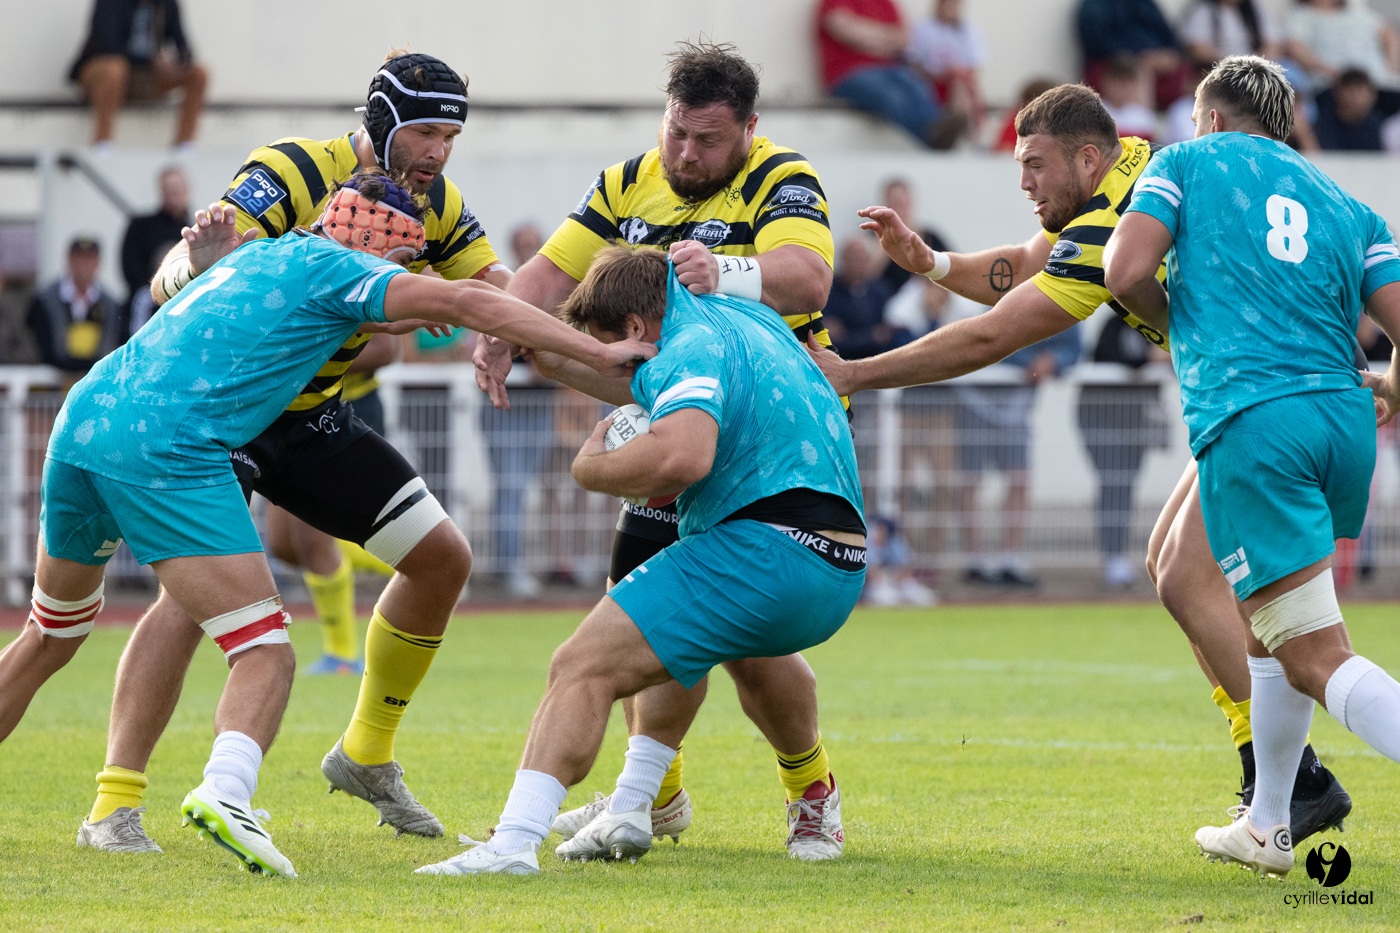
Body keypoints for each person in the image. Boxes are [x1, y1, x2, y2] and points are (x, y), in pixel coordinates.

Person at [0, 170, 653, 875]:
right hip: (164, 447)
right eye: (405, 265)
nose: (405, 278)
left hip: (84, 419)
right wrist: (597, 351)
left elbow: (348, 315)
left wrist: (408, 306)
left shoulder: (268, 250)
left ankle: (149, 798)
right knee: (265, 649)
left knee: (51, 631)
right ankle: (227, 790)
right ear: (384, 245)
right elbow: (469, 298)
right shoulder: (346, 269)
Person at [807, 82, 1351, 845]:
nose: (1022, 181)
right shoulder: (1133, 163)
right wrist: (931, 263)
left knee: (1277, 629)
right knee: (1178, 570)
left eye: (1034, 164)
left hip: (1268, 404)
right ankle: (1281, 778)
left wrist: (858, 372)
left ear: (1086, 158)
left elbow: (992, 336)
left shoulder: (1117, 220)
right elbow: (1027, 264)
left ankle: (1295, 780)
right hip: (1289, 396)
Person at [60, 52, 512, 850]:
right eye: (426, 131)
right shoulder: (293, 167)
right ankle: (114, 801)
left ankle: (367, 754)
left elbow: (488, 277)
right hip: (222, 421)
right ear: (381, 119)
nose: (440, 151)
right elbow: (192, 259)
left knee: (443, 557)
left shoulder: (436, 201)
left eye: (451, 135)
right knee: (190, 602)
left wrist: (504, 326)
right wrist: (185, 269)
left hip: (311, 420)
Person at [476, 41, 848, 857]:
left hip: (763, 444)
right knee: (641, 613)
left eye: (707, 140)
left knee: (748, 645)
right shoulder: (626, 180)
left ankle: (807, 786)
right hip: (670, 410)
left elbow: (807, 280)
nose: (685, 153)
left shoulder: (781, 176)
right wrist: (501, 329)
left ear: (749, 129)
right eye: (677, 132)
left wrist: (727, 267)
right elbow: (544, 275)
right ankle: (648, 797)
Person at [419, 246, 864, 876]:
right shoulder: (746, 318)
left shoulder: (685, 347)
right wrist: (544, 350)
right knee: (688, 642)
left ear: (634, 327)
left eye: (615, 344)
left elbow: (681, 457)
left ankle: (512, 845)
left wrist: (592, 468)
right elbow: (638, 379)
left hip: (764, 550)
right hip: (837, 564)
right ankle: (635, 804)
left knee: (580, 666)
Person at [1103, 55, 1400, 878]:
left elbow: (1123, 273)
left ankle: (1275, 812)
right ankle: (1270, 820)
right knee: (1267, 628)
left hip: (1254, 418)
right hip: (1342, 423)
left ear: (1214, 119)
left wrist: (1183, 320)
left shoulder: (1184, 164)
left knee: (1311, 649)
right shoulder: (1347, 203)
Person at [956, 326, 1080, 588]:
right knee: (971, 479)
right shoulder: (998, 289)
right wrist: (1031, 363)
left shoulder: (1066, 291)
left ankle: (1010, 558)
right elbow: (990, 337)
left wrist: (1052, 362)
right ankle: (974, 561)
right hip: (974, 395)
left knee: (1019, 477)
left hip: (1018, 402)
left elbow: (1074, 348)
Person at [482, 222, 556, 598]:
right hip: (503, 403)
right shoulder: (503, 291)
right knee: (509, 484)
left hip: (540, 405)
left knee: (525, 484)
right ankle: (507, 566)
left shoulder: (554, 296)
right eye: (522, 245)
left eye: (534, 244)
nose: (528, 250)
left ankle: (515, 563)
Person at [1075, 317, 1170, 588]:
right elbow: (1111, 356)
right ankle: (1112, 556)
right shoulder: (1114, 324)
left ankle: (1118, 555)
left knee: (1125, 485)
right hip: (1100, 417)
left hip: (1136, 419)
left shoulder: (1158, 323)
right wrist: (1149, 358)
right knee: (1113, 481)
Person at [815, 0, 962, 148]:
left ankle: (938, 129)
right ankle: (932, 138)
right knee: (891, 94)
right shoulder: (834, 2)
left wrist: (865, 37)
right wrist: (885, 39)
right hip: (849, 75)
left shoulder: (885, 3)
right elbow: (846, 31)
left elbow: (904, 39)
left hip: (892, 70)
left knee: (917, 85)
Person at [68, 0, 207, 149]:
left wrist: (176, 61)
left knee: (199, 73)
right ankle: (103, 144)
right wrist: (152, 61)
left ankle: (184, 145)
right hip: (103, 74)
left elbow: (183, 44)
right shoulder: (109, 3)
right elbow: (109, 45)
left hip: (145, 78)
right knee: (115, 68)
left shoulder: (167, 4)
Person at [27, 236, 122, 379]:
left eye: (89, 259)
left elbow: (110, 342)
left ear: (98, 263)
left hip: (94, 383)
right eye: (78, 258)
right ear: (68, 260)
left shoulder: (110, 305)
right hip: (52, 384)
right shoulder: (45, 299)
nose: (83, 264)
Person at [120, 166, 189, 339]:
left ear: (187, 190)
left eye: (177, 190)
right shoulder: (141, 226)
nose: (173, 195)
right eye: (169, 190)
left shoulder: (192, 229)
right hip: (149, 303)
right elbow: (129, 265)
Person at [1078, 0, 1187, 109]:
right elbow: (1097, 41)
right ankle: (1141, 120)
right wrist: (1139, 56)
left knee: (1185, 74)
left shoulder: (1145, 4)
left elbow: (1168, 36)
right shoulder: (1094, 5)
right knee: (1135, 69)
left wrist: (1167, 55)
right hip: (1116, 61)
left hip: (1154, 59)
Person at [907, 0, 987, 133]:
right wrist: (941, 73)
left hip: (960, 83)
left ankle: (964, 129)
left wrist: (955, 73)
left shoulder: (969, 30)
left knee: (960, 86)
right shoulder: (922, 28)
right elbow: (914, 63)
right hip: (931, 84)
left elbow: (975, 66)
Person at [822, 235, 906, 359]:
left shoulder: (881, 290)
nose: (855, 264)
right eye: (852, 257)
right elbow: (833, 337)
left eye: (861, 258)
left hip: (877, 361)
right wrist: (872, 336)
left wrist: (852, 336)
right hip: (841, 360)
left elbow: (890, 330)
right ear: (842, 258)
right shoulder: (828, 289)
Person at [1286, 0, 1400, 92]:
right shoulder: (1301, 16)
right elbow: (1296, 49)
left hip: (1381, 83)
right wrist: (1331, 71)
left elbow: (1389, 34)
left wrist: (1391, 68)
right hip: (1335, 87)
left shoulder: (1359, 13)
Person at [1314, 67, 1400, 149]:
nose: (1355, 97)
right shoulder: (1321, 124)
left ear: (1373, 95)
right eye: (1350, 90)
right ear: (1336, 93)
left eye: (1359, 90)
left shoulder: (1383, 127)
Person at [1178, 0, 1284, 65]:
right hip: (1220, 70)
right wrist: (1234, 63)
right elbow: (1198, 49)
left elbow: (1273, 42)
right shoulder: (1203, 10)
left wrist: (1258, 63)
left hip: (1256, 68)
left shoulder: (1254, 9)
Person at [1098, 55, 1160, 140]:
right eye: (1119, 81)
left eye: (1128, 82)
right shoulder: (1093, 114)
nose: (1123, 88)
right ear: (1106, 82)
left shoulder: (1143, 117)